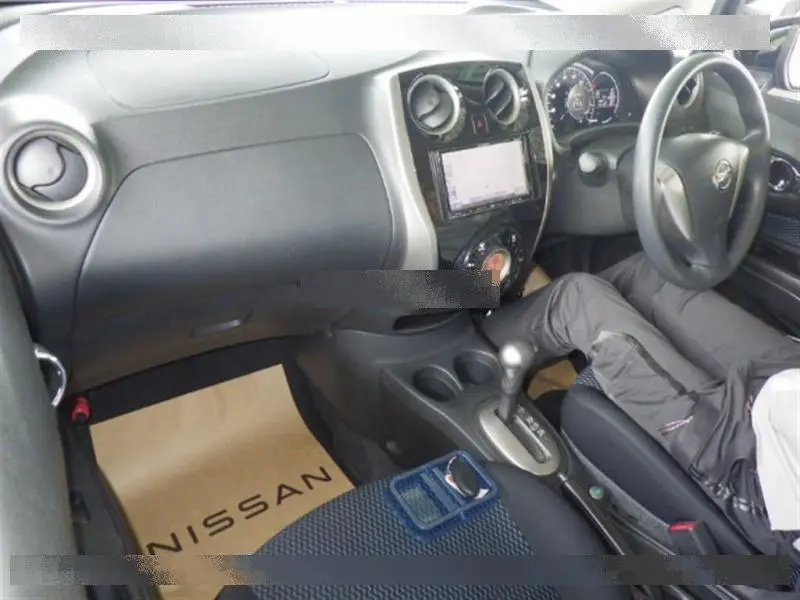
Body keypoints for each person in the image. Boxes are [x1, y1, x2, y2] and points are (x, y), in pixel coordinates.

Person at [481, 252, 800, 562]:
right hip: (788, 388)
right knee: (648, 275)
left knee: (576, 301)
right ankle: (501, 305)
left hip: (758, 467)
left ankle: (465, 342)